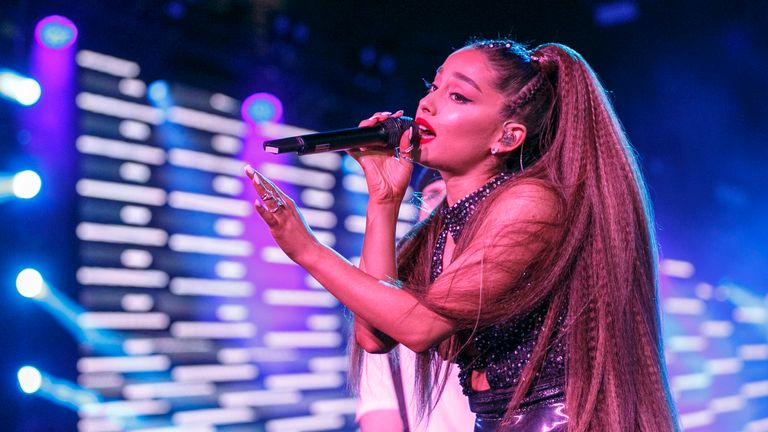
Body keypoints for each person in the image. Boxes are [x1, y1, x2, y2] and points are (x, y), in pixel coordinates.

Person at [245, 38, 679, 431]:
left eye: (458, 95)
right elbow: (375, 337)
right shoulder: (445, 225)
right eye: (432, 87)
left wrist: (308, 251)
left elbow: (418, 326)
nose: (428, 104)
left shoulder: (531, 202)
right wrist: (384, 200)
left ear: (507, 136)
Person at [356, 170, 475, 432]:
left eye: (456, 192)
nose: (445, 205)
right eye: (433, 195)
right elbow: (380, 417)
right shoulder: (392, 303)